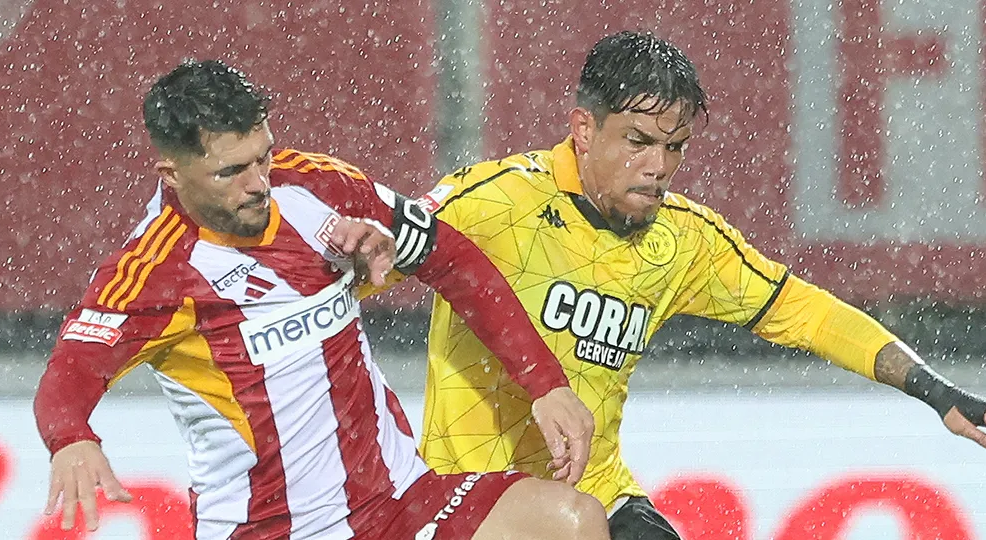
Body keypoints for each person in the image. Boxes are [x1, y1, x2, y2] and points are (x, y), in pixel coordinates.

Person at [411, 32, 986, 540]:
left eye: (675, 147)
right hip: (471, 502)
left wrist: (937, 391)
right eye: (637, 141)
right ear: (583, 129)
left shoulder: (683, 241)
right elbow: (365, 264)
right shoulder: (491, 203)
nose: (658, 167)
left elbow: (809, 314)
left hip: (596, 497)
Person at [34, 60, 609, 540]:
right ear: (172, 174)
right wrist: (71, 439)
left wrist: (546, 384)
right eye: (231, 171)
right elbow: (68, 376)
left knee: (573, 522)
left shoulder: (315, 185)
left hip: (400, 503)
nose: (259, 182)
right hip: (272, 529)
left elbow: (452, 259)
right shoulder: (153, 272)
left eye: (262, 156)